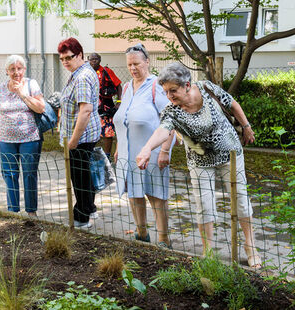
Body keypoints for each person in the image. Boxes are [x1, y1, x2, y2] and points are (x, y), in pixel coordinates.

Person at [136, 62, 261, 268]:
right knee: (205, 206)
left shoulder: (206, 88)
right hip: (199, 161)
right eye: (166, 92)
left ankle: (250, 246)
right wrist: (148, 148)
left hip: (230, 154)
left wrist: (246, 127)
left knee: (240, 199)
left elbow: (232, 104)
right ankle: (208, 252)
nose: (169, 96)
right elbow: (163, 130)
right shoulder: (172, 111)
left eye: (173, 90)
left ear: (187, 85)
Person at [113, 43, 175, 248]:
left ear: (147, 62)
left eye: (137, 64)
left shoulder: (157, 85)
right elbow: (124, 119)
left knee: (156, 195)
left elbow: (171, 120)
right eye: (129, 64)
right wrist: (118, 148)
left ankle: (164, 240)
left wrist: (165, 150)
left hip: (153, 152)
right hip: (127, 153)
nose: (133, 68)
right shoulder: (127, 87)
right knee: (134, 193)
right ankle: (141, 234)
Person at [0, 55, 45, 217]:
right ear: (7, 71)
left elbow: (40, 108)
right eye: (12, 69)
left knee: (29, 174)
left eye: (19, 68)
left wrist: (22, 94)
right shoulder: (0, 87)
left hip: (30, 138)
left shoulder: (31, 84)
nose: (16, 72)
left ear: (24, 69)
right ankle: (13, 211)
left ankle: (31, 212)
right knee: (10, 174)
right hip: (6, 140)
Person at [58, 38, 101, 228]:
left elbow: (85, 110)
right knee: (84, 176)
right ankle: (89, 208)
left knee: (80, 178)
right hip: (83, 135)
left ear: (80, 54)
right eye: (62, 59)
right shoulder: (80, 72)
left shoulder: (82, 77)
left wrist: (74, 140)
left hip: (80, 138)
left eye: (69, 57)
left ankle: (82, 218)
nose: (66, 62)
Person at [89, 53, 122, 159]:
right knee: (91, 132)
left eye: (96, 59)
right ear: (88, 60)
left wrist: (119, 101)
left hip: (105, 107)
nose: (94, 61)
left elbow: (118, 86)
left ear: (100, 60)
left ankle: (107, 157)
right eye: (91, 59)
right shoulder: (87, 73)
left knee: (107, 132)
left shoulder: (107, 71)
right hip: (90, 107)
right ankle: (91, 155)